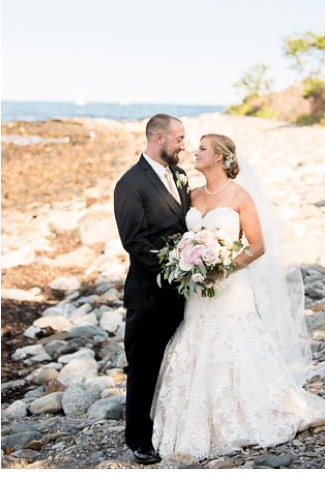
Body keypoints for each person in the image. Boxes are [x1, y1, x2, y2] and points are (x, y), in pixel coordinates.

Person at [150, 133, 325, 460]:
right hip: (198, 292)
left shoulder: (240, 196)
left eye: (202, 149)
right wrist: (183, 259)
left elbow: (257, 245)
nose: (194, 153)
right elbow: (180, 237)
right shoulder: (192, 194)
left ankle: (249, 413)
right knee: (196, 342)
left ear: (219, 157)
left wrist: (224, 267)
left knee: (236, 343)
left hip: (230, 289)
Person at [113, 114, 191, 465]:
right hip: (149, 294)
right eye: (179, 139)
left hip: (185, 292)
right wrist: (177, 270)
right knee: (143, 366)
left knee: (178, 360)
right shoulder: (130, 184)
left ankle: (172, 423)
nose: (183, 145)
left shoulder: (179, 176)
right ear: (159, 138)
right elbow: (135, 242)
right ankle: (139, 440)